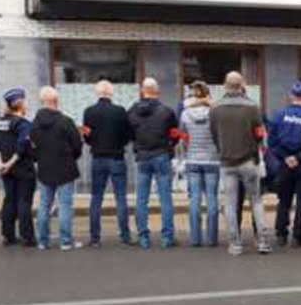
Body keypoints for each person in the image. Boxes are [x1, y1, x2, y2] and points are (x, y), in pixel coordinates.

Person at [211, 71, 272, 255]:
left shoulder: (215, 108)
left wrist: (222, 149)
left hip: (227, 161)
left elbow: (214, 134)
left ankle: (235, 243)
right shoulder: (252, 107)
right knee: (256, 201)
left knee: (230, 204)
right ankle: (262, 241)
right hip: (248, 160)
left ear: (225, 85)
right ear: (242, 85)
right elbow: (260, 134)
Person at [128, 77, 180, 249]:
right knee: (165, 198)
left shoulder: (132, 111)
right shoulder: (166, 111)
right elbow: (175, 133)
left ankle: (143, 237)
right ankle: (167, 237)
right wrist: (170, 146)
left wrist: (138, 146)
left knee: (142, 199)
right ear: (157, 91)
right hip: (161, 155)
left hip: (142, 156)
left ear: (143, 91)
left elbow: (129, 133)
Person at [31, 86, 84, 250]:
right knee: (65, 205)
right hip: (65, 167)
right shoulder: (65, 121)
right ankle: (65, 241)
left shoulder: (34, 124)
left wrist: (39, 159)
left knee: (44, 205)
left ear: (42, 101)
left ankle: (43, 241)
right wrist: (71, 157)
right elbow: (77, 145)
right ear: (56, 101)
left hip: (45, 168)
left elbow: (32, 147)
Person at [82, 79, 133, 247]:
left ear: (97, 93)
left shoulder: (89, 112)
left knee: (96, 198)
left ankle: (95, 238)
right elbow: (127, 134)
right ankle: (125, 236)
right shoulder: (120, 111)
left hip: (98, 157)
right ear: (111, 93)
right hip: (117, 157)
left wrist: (95, 143)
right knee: (120, 197)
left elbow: (87, 136)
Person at [267, 80, 301, 248]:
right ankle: (299, 235)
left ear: (291, 95)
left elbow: (272, 142)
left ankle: (281, 234)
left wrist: (286, 157)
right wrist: (298, 157)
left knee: (284, 200)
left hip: (284, 164)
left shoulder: (279, 115)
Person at [0, 88, 36, 247]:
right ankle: (27, 237)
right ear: (20, 103)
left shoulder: (0, 122)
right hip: (22, 168)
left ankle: (8, 235)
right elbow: (22, 146)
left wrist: (1, 164)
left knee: (9, 200)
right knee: (24, 201)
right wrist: (10, 163)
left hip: (6, 169)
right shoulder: (23, 124)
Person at [179, 81, 222, 248]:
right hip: (212, 159)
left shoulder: (185, 114)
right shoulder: (215, 113)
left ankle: (195, 239)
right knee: (212, 197)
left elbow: (182, 135)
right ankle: (212, 238)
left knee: (194, 198)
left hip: (192, 159)